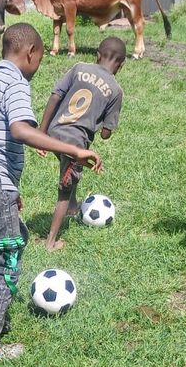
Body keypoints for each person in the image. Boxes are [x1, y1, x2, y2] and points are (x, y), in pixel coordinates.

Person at [0, 23, 102, 365]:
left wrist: (8, 189)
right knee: (8, 261)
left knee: (15, 235)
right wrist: (73, 150)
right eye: (40, 60)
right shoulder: (16, 82)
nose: (37, 67)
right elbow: (20, 130)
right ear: (32, 53)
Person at [38, 36, 126, 251]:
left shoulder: (79, 68)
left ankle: (73, 206)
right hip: (75, 142)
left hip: (54, 132)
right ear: (121, 65)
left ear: (97, 55)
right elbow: (105, 134)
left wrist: (41, 133)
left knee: (72, 167)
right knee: (64, 189)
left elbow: (56, 95)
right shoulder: (115, 90)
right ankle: (51, 241)